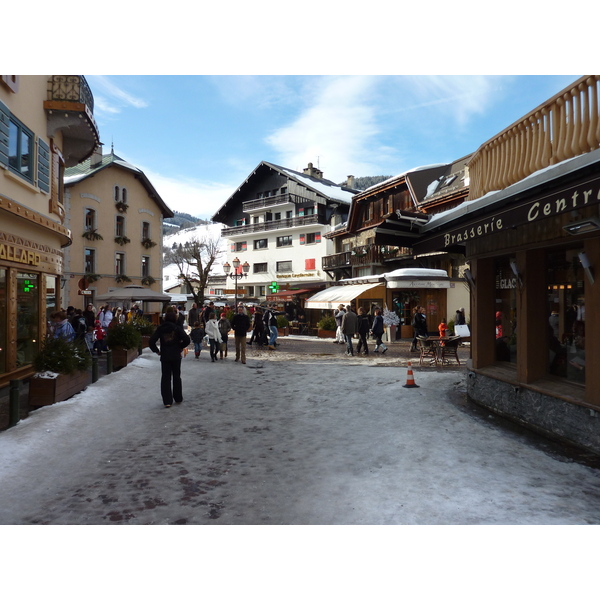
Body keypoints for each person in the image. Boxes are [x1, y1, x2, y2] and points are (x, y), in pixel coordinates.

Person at [149, 311, 191, 408]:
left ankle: (167, 401)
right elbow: (187, 339)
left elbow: (151, 341)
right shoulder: (177, 328)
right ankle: (178, 397)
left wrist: (157, 351)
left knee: (165, 378)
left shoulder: (160, 328)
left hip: (165, 355)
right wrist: (180, 347)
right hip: (176, 354)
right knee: (176, 376)